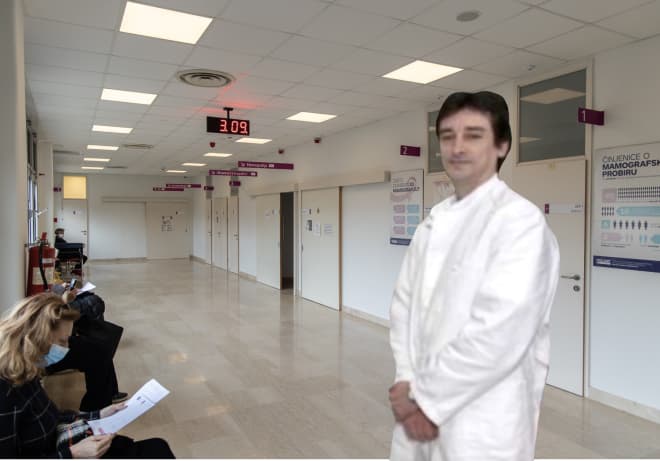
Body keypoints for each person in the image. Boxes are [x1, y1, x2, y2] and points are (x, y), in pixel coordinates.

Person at [388, 91, 560, 461]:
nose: (458, 147)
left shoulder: (520, 223)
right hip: (418, 402)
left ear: (502, 145)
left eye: (473, 135)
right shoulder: (433, 223)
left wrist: (427, 401)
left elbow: (499, 332)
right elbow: (404, 307)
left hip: (483, 420)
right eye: (448, 136)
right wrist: (406, 377)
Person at [0, 292, 174, 458]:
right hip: (64, 453)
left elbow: (51, 418)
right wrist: (74, 454)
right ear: (36, 337)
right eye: (62, 341)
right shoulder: (5, 393)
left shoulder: (25, 370)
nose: (67, 348)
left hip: (63, 442)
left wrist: (98, 415)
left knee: (156, 447)